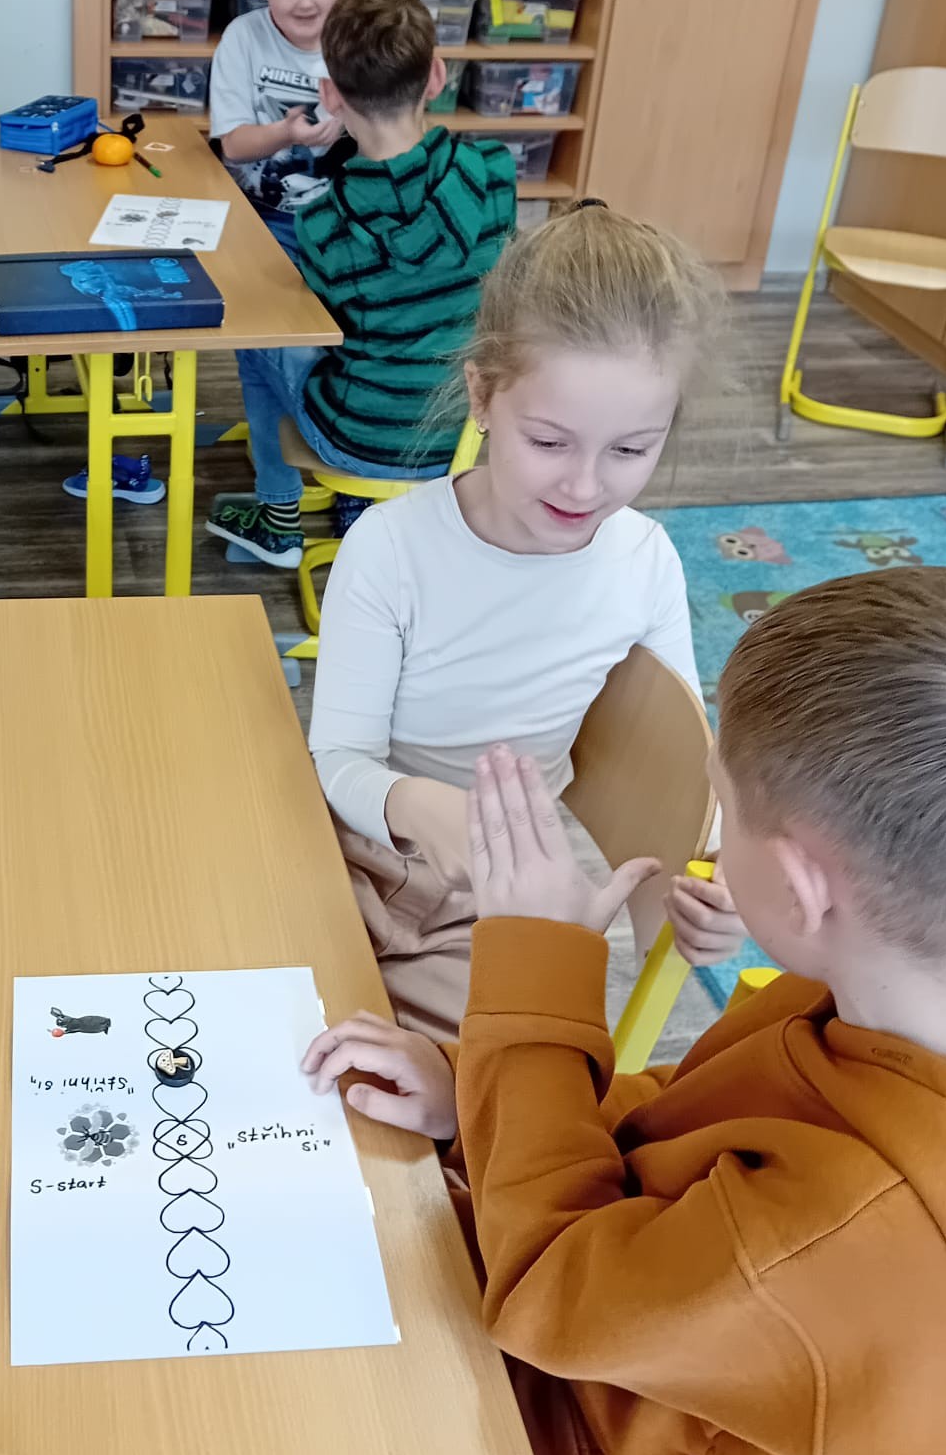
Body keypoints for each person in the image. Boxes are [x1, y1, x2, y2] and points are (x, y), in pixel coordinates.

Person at [306, 569, 946, 1455]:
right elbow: (681, 1133)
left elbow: (549, 1287)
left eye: (724, 807)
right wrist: (477, 1089)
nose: (710, 835)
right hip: (655, 1368)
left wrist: (535, 974)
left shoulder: (846, 1221)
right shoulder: (876, 995)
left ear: (796, 889)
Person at [309, 203, 743, 1039]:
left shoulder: (644, 561)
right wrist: (416, 805)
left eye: (630, 450)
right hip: (348, 853)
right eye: (549, 442)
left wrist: (714, 887)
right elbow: (339, 760)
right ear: (482, 395)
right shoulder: (392, 548)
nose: (584, 486)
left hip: (496, 901)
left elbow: (693, 774)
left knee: (481, 1094)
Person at [205, 0, 514, 570]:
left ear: (330, 94)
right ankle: (362, 509)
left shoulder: (326, 226)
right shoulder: (496, 172)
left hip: (360, 438)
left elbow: (322, 331)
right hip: (465, 435)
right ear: (436, 77)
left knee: (258, 335)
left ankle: (278, 516)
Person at [208, 0, 349, 258]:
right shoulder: (242, 37)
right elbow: (233, 146)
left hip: (339, 217)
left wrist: (354, 118)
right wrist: (286, 133)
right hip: (254, 212)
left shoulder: (356, 39)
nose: (306, 3)